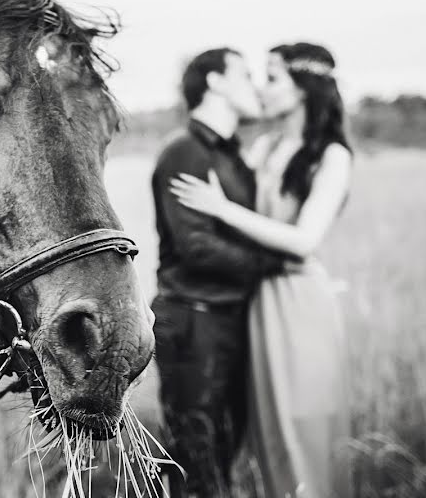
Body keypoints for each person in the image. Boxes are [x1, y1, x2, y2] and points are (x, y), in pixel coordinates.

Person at [169, 42, 353, 498]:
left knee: (304, 424)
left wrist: (223, 210)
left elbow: (305, 241)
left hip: (298, 302)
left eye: (272, 79)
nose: (262, 89)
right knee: (266, 433)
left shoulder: (332, 156)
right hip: (255, 302)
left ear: (304, 87)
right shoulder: (265, 146)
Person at [151, 47, 285, 498]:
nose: (254, 86)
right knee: (197, 456)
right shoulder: (185, 152)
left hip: (229, 319)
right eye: (244, 74)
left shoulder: (234, 156)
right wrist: (274, 265)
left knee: (225, 446)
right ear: (215, 82)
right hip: (193, 321)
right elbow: (196, 248)